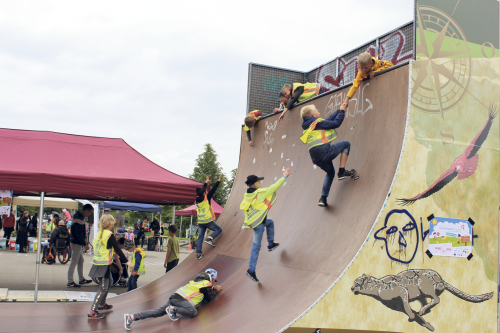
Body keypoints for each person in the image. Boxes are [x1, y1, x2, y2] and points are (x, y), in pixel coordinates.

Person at [124, 268, 222, 330]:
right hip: (181, 300)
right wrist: (216, 289)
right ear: (211, 278)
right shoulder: (207, 284)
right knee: (193, 312)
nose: (214, 282)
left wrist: (212, 288)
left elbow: (203, 293)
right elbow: (209, 297)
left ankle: (131, 317)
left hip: (175, 296)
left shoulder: (195, 282)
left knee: (158, 312)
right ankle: (172, 310)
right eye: (214, 280)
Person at [240, 169, 291, 282]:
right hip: (258, 224)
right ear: (254, 184)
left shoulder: (247, 193)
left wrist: (247, 181)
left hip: (256, 220)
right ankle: (251, 270)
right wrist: (284, 176)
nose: (260, 183)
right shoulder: (259, 193)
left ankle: (271, 243)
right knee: (256, 247)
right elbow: (274, 187)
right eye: (258, 182)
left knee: (270, 222)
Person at [300, 103, 355, 207]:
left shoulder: (310, 125)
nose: (319, 112)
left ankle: (323, 198)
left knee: (330, 173)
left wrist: (338, 110)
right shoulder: (317, 122)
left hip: (316, 159)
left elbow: (328, 120)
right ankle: (342, 171)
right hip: (325, 153)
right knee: (346, 144)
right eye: (317, 110)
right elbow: (335, 123)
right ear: (313, 115)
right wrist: (342, 112)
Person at [88, 214, 133, 319]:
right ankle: (92, 310)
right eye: (113, 221)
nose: (114, 223)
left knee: (110, 283)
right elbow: (118, 249)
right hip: (103, 264)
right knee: (103, 288)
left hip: (100, 263)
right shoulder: (109, 235)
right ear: (109, 223)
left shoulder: (99, 233)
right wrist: (127, 262)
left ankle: (102, 304)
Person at [195, 174, 223, 260]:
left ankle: (198, 253)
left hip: (200, 222)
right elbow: (213, 190)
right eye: (206, 191)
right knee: (219, 229)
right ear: (204, 193)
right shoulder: (207, 198)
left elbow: (201, 191)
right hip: (208, 221)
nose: (207, 191)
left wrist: (205, 183)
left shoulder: (197, 199)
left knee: (200, 237)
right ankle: (210, 238)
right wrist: (218, 181)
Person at [67, 204, 93, 288]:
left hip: (75, 242)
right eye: (90, 212)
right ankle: (70, 281)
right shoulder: (79, 218)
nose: (90, 214)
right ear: (86, 210)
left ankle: (81, 279)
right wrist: (84, 244)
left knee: (80, 260)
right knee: (74, 262)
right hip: (76, 242)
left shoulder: (78, 217)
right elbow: (79, 233)